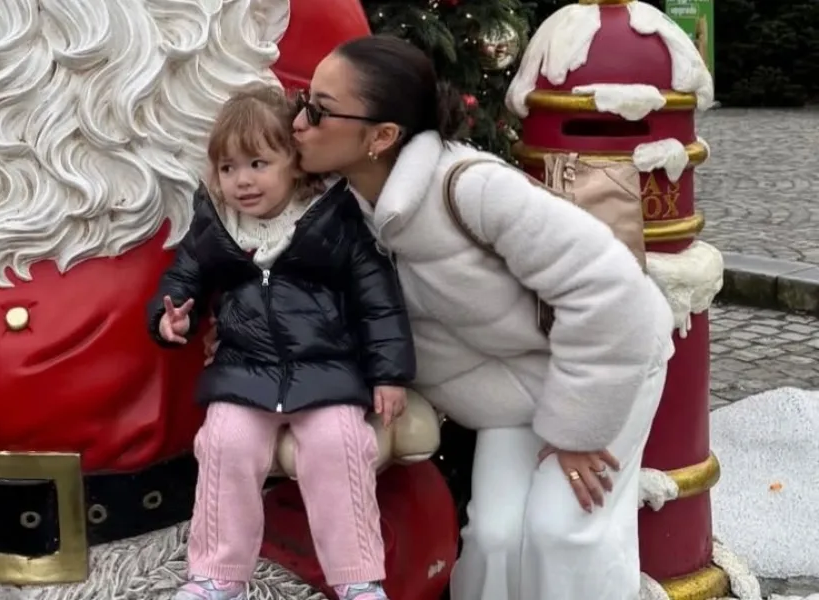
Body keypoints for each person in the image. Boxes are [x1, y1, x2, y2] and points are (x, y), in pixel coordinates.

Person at [290, 35, 676, 600]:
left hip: (605, 367)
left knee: (562, 532)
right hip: (511, 399)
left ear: (381, 137)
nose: (298, 122)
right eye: (303, 101)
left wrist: (576, 429)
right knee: (493, 538)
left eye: (319, 110)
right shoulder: (341, 216)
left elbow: (612, 295)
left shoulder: (470, 187)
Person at [147, 85, 417, 600]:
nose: (242, 181)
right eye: (228, 169)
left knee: (340, 444)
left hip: (326, 370)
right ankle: (215, 578)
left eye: (257, 163)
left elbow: (377, 295)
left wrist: (389, 373)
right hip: (244, 370)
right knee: (225, 444)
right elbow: (181, 280)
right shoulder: (217, 226)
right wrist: (170, 319)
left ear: (294, 163)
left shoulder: (331, 217)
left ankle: (358, 578)